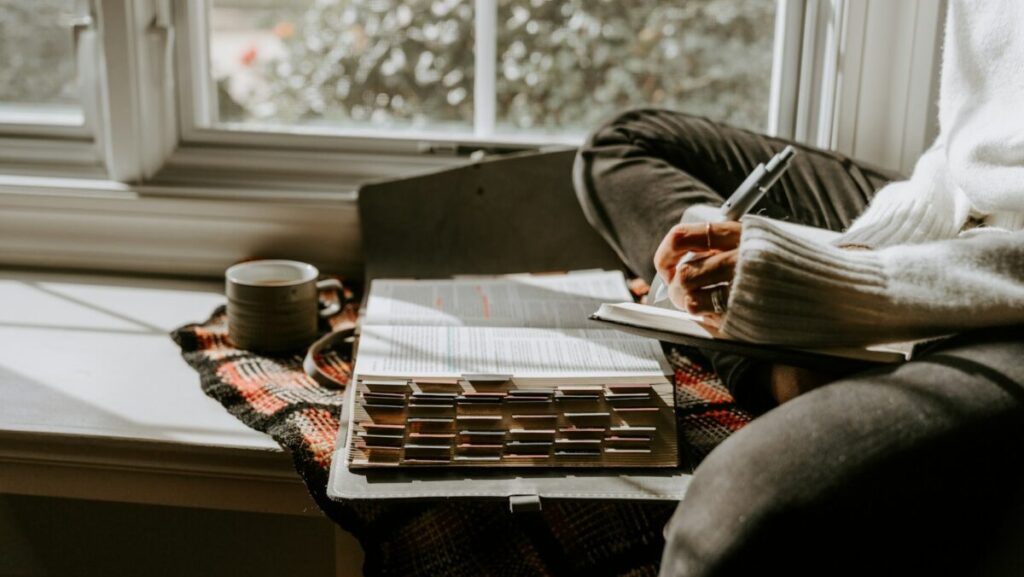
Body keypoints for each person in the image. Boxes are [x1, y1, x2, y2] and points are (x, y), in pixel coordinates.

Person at [573, 1, 1024, 575]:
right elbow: (966, 141)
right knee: (624, 145)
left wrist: (858, 285)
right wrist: (855, 251)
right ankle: (787, 355)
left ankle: (780, 360)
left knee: (726, 523)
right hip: (969, 220)